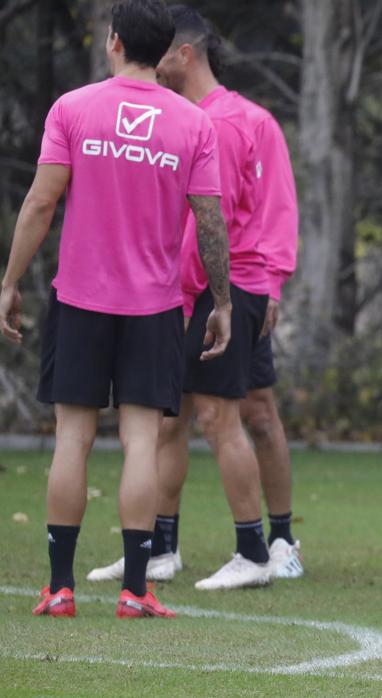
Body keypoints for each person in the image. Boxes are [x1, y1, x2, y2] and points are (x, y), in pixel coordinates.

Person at [0, 0, 231, 618]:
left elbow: (42, 202)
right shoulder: (192, 123)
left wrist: (9, 281)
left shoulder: (72, 108)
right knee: (139, 442)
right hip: (154, 307)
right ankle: (135, 589)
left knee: (71, 440)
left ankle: (60, 587)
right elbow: (211, 220)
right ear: (164, 51)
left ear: (114, 42)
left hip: (79, 300)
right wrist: (224, 301)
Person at [86, 5, 303, 589]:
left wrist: (190, 293)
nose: (147, 65)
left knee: (221, 416)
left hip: (216, 289)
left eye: (159, 55)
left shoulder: (223, 123)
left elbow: (212, 223)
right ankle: (161, 547)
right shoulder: (194, 117)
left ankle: (256, 549)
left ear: (184, 55)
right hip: (209, 288)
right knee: (169, 421)